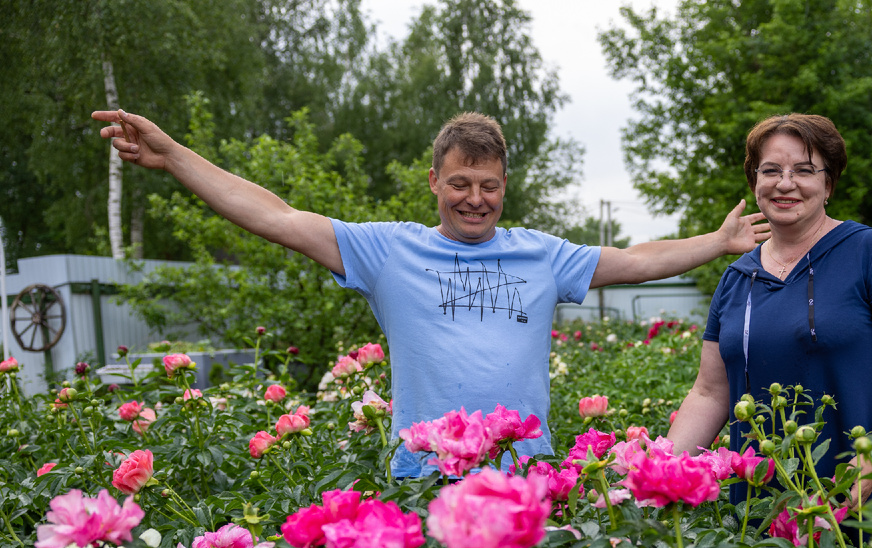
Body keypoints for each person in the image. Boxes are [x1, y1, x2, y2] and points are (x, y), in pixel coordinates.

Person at [92, 109, 768, 477]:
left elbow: (636, 259)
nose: (476, 199)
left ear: (505, 186)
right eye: (460, 184)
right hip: (422, 480)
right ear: (434, 182)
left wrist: (715, 241)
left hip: (525, 479)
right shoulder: (388, 249)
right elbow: (276, 216)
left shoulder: (541, 254)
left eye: (490, 186)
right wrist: (175, 155)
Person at [668, 113, 872, 509]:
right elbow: (710, 393)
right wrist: (658, 472)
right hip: (761, 508)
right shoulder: (737, 277)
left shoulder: (871, 251)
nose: (785, 183)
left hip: (866, 494)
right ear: (754, 183)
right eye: (770, 170)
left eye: (804, 170)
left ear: (827, 184)